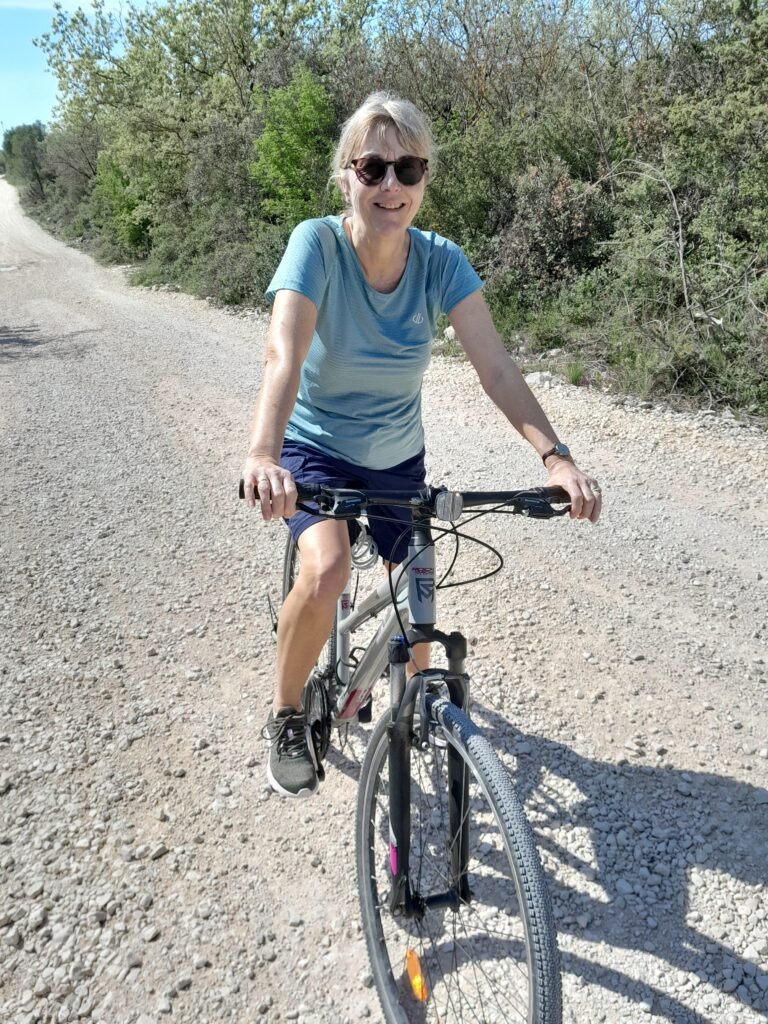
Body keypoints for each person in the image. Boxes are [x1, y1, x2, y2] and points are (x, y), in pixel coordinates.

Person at [242, 92, 602, 798]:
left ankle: (415, 713)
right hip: (315, 448)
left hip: (396, 458)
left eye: (408, 169)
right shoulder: (315, 244)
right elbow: (282, 358)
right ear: (345, 175)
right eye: (373, 168)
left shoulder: (441, 262)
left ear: (425, 181)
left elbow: (496, 366)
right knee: (328, 569)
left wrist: (555, 457)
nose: (390, 187)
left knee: (422, 596)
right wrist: (263, 454)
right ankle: (287, 713)